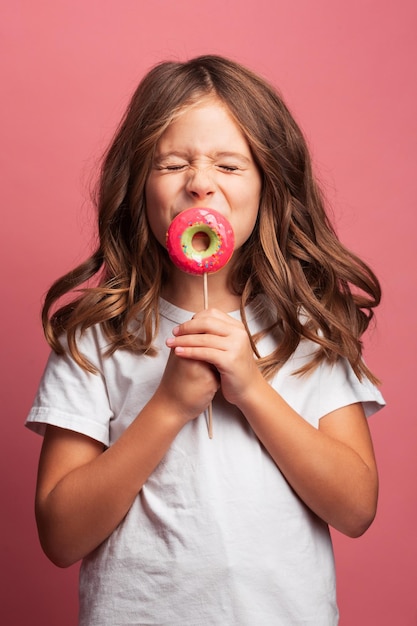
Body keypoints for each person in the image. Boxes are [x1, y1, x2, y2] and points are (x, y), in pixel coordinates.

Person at [26, 55, 385, 625]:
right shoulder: (96, 338)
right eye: (172, 163)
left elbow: (356, 507)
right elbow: (61, 535)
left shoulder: (308, 328)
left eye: (229, 165)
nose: (199, 182)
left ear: (269, 187)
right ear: (138, 184)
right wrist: (167, 406)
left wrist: (252, 390)